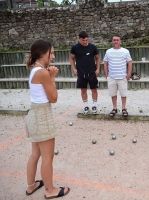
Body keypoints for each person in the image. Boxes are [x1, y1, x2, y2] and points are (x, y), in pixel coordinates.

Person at [25, 39, 70, 199]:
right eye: (51, 53)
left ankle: (31, 186)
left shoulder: (34, 69)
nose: (53, 56)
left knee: (35, 154)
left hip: (34, 114)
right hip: (42, 117)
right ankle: (50, 190)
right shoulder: (43, 73)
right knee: (47, 158)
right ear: (42, 54)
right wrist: (52, 77)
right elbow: (53, 98)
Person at [70, 31, 101, 114]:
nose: (85, 42)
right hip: (81, 73)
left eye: (86, 40)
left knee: (94, 89)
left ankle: (94, 106)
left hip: (92, 72)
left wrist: (98, 69)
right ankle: (86, 106)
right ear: (79, 39)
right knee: (83, 90)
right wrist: (74, 68)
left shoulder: (93, 47)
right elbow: (71, 58)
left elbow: (98, 58)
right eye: (83, 40)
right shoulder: (75, 48)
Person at [103, 35, 132, 117]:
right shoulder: (108, 52)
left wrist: (129, 74)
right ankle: (114, 108)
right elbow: (105, 63)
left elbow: (129, 62)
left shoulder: (125, 51)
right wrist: (106, 75)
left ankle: (123, 108)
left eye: (117, 40)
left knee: (123, 94)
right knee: (113, 94)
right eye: (114, 40)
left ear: (120, 41)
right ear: (112, 41)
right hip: (112, 77)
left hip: (122, 77)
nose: (116, 41)